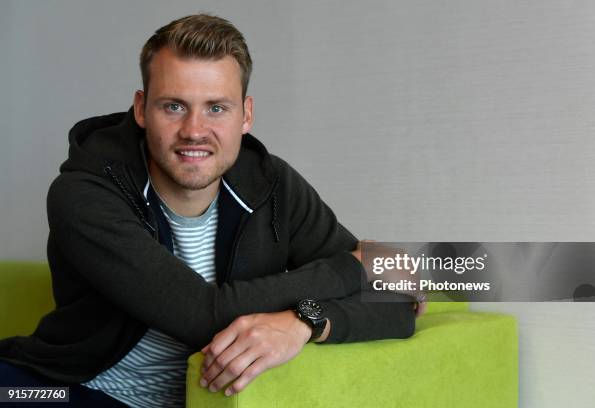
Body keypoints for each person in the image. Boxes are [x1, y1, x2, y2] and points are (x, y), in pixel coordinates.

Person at [0, 13, 417, 407]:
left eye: (216, 107)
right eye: (174, 106)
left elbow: (405, 294)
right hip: (63, 391)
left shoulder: (272, 185)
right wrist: (357, 267)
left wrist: (303, 321)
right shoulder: (84, 193)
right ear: (141, 109)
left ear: (246, 114)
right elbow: (202, 314)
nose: (194, 131)